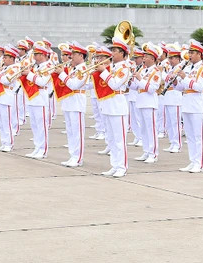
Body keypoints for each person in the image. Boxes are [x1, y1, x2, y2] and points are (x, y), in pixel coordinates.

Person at [95, 38, 132, 178]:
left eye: (115, 51)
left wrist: (103, 72)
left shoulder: (124, 68)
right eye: (112, 51)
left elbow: (115, 84)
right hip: (107, 105)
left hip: (118, 106)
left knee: (119, 139)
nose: (112, 54)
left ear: (123, 53)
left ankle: (122, 166)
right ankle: (114, 165)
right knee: (111, 138)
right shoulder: (111, 68)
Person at [175, 39, 203, 173]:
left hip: (197, 106)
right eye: (189, 52)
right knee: (190, 136)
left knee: (197, 136)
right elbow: (182, 87)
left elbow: (199, 87)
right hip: (187, 104)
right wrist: (174, 82)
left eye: (192, 53)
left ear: (199, 54)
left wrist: (185, 77)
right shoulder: (189, 68)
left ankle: (199, 163)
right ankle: (192, 161)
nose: (190, 55)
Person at [56, 42, 89, 166]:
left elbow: (74, 84)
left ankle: (78, 158)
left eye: (74, 54)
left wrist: (62, 74)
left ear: (81, 56)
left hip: (77, 102)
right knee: (70, 131)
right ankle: (72, 155)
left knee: (77, 132)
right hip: (69, 102)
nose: (71, 56)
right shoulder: (72, 69)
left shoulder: (84, 69)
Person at [133, 44, 161, 164]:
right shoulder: (143, 70)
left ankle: (153, 153)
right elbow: (136, 87)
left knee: (151, 129)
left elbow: (152, 88)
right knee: (143, 129)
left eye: (147, 57)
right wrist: (130, 81)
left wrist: (140, 79)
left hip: (150, 102)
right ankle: (146, 151)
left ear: (153, 59)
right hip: (141, 101)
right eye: (144, 56)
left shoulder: (156, 71)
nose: (144, 59)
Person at [0, 46, 21, 153]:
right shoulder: (4, 68)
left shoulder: (15, 68)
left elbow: (6, 80)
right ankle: (3, 142)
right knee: (2, 122)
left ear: (12, 58)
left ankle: (9, 143)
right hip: (0, 95)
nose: (4, 59)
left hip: (7, 95)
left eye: (6, 57)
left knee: (7, 122)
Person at [161, 45, 184, 154]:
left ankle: (177, 144)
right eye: (169, 58)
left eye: (172, 58)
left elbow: (173, 79)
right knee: (170, 123)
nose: (170, 60)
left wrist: (164, 75)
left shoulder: (180, 68)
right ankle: (172, 142)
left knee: (175, 122)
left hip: (175, 97)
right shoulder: (170, 68)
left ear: (178, 58)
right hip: (168, 97)